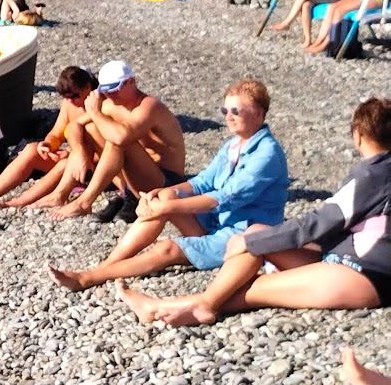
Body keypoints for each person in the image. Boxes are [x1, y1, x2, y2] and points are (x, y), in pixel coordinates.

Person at [119, 97, 391, 328]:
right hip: (343, 258)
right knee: (255, 233)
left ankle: (178, 308)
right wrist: (253, 241)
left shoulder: (373, 173)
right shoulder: (380, 170)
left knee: (257, 286)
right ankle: (195, 304)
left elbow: (317, 224)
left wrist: (250, 243)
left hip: (364, 274)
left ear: (358, 134)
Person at [49, 79, 288, 291]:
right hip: (215, 220)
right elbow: (202, 182)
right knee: (162, 199)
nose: (228, 116)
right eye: (225, 109)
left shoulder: (266, 154)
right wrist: (165, 194)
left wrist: (167, 208)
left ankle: (88, 277)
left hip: (241, 232)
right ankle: (109, 266)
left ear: (258, 113)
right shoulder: (234, 145)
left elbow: (226, 197)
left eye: (236, 110)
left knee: (168, 249)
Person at [47, 61, 186, 221]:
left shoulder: (148, 107)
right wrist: (80, 151)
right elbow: (73, 126)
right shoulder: (112, 104)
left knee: (117, 139)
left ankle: (85, 201)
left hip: (168, 182)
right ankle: (125, 193)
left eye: (114, 89)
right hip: (138, 177)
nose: (111, 95)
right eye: (106, 91)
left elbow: (121, 138)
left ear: (131, 81)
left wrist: (95, 112)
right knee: (92, 129)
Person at [0, 67, 101, 207]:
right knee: (31, 149)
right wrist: (48, 144)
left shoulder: (100, 106)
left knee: (65, 163)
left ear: (88, 87)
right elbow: (56, 133)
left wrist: (75, 156)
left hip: (97, 167)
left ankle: (16, 203)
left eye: (75, 96)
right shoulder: (70, 105)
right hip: (76, 158)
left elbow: (109, 151)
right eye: (67, 98)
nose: (71, 101)